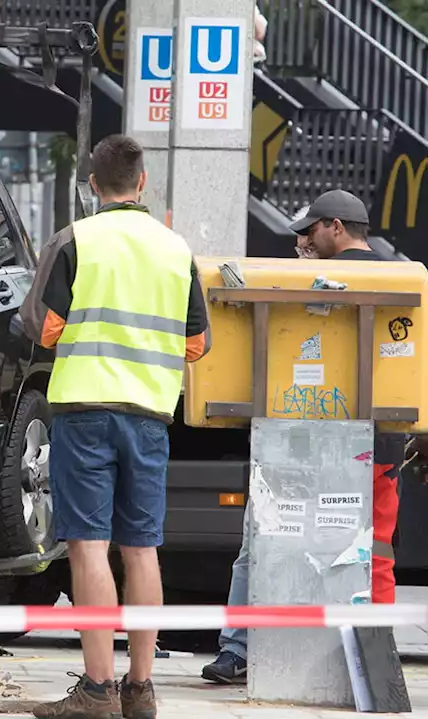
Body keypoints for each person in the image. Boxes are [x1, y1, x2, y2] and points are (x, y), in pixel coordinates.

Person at [20, 134, 212, 719]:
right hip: (150, 417)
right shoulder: (176, 250)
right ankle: (142, 689)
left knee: (87, 546)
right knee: (142, 548)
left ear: (92, 186)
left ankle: (98, 691)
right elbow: (198, 344)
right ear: (143, 183)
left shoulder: (76, 240)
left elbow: (43, 328)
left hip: (83, 414)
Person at [201, 189, 404, 685]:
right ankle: (374, 657)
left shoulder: (304, 281)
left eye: (309, 231)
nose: (302, 240)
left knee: (264, 541)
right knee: (373, 548)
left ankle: (239, 649)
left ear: (336, 227)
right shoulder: (402, 279)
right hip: (377, 443)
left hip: (296, 438)